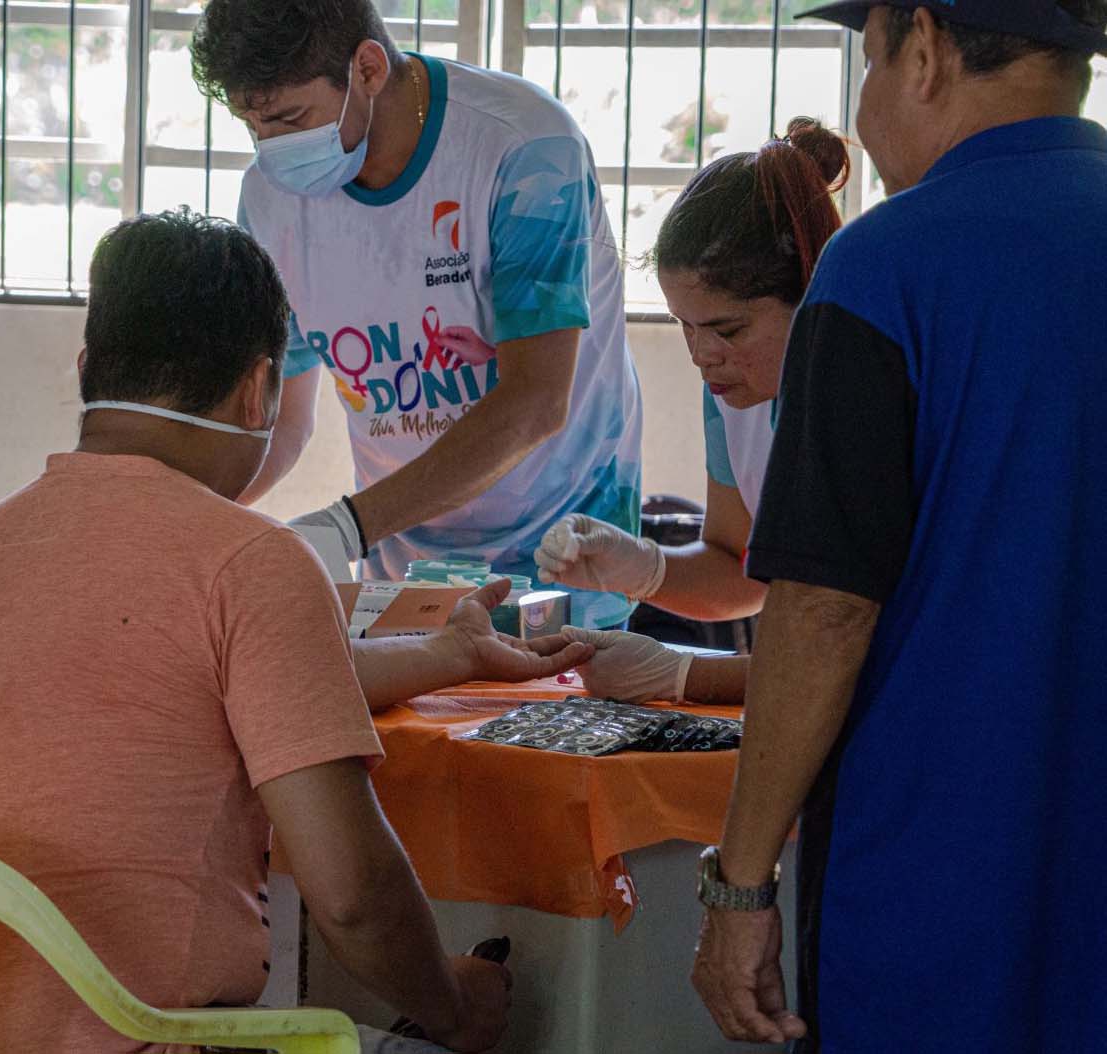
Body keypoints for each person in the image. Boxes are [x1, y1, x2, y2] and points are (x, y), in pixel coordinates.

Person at [0, 209, 593, 1054]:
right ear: (259, 389)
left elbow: (206, 684)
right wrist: (453, 1005)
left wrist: (446, 654)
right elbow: (353, 898)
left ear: (87, 370)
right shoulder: (249, 558)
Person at [684, 3, 1107, 1051]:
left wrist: (741, 886)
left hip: (938, 867)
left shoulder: (887, 266)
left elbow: (822, 612)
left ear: (921, 49)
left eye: (864, 57)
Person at [191, 0, 644, 629]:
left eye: (291, 119)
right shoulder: (272, 198)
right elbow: (282, 420)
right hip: (403, 573)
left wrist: (348, 525)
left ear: (368, 69)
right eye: (252, 124)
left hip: (563, 565)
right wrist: (187, 520)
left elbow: (537, 401)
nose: (272, 147)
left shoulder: (524, 148)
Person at [538, 119, 850, 707]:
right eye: (684, 325)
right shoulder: (733, 395)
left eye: (727, 329)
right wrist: (642, 569)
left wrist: (683, 677)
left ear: (811, 294)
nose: (701, 355)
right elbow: (739, 569)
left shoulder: (865, 407)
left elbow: (847, 648)